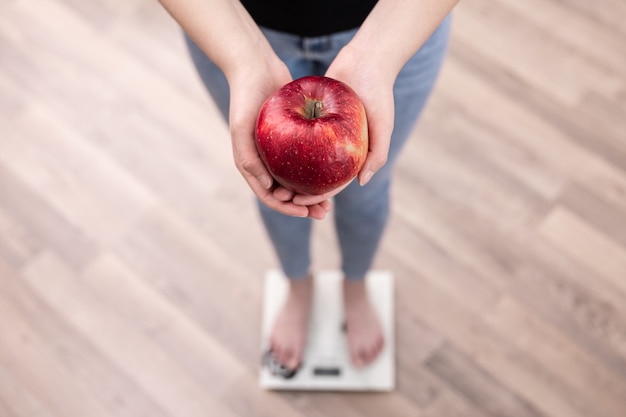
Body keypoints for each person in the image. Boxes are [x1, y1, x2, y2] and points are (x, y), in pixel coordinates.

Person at [158, 0, 459, 371]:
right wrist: (244, 56)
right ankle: (297, 285)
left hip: (399, 21)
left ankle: (356, 284)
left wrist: (377, 54)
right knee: (275, 186)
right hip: (229, 22)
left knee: (368, 190)